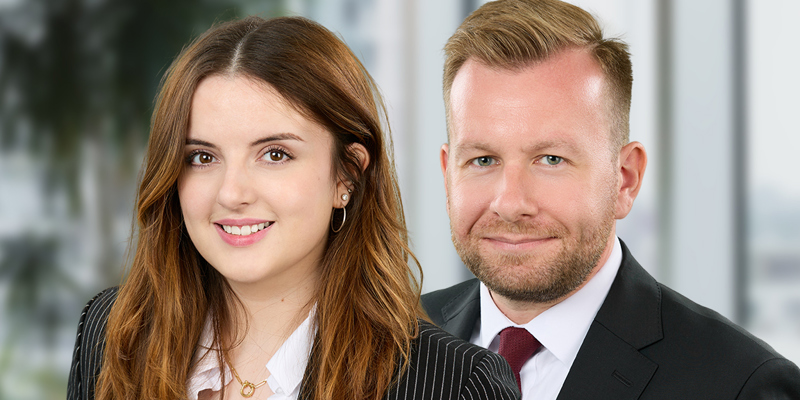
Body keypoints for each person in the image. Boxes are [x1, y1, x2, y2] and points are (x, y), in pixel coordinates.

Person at [67, 16, 520, 400]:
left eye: (275, 154)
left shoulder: (454, 384)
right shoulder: (111, 333)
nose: (232, 193)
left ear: (348, 175)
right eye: (202, 157)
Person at [422, 0, 800, 398]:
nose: (511, 202)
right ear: (448, 174)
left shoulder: (742, 384)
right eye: (483, 160)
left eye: (551, 159)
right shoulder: (383, 343)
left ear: (625, 179)